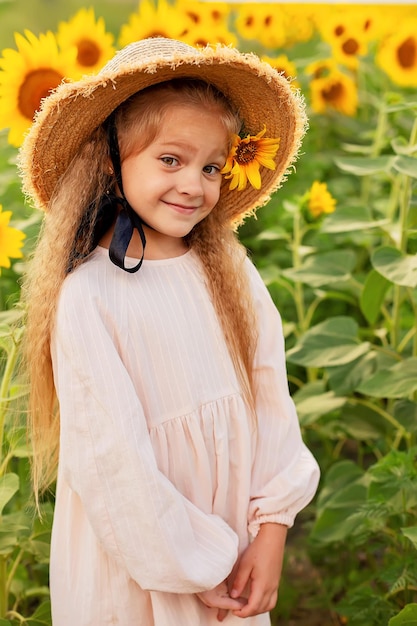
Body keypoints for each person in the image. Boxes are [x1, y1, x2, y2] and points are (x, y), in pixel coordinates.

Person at [18, 37, 320, 625]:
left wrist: (271, 528)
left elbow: (269, 401)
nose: (194, 185)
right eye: (171, 160)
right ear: (111, 161)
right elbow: (113, 464)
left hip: (237, 547)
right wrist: (197, 563)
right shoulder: (91, 297)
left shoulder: (227, 270)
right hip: (141, 562)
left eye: (211, 166)